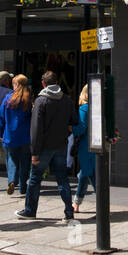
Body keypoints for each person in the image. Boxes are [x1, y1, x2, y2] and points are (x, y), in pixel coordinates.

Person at [16, 70, 78, 224]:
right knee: (62, 179)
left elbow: (35, 129)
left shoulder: (40, 101)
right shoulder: (67, 100)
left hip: (44, 148)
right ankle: (69, 212)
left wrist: (34, 152)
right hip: (61, 145)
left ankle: (30, 210)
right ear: (57, 82)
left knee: (35, 178)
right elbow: (74, 121)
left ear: (43, 83)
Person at [0, 74, 33, 196]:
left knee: (11, 159)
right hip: (25, 136)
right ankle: (23, 186)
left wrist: (0, 132)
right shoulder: (28, 99)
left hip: (10, 134)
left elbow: (0, 117)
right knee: (25, 161)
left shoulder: (8, 99)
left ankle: (12, 180)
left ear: (16, 85)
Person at [72, 86, 96, 215]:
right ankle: (76, 202)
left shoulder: (84, 108)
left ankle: (103, 206)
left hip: (86, 145)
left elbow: (81, 128)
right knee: (85, 174)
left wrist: (71, 128)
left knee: (89, 174)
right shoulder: (98, 107)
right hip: (96, 143)